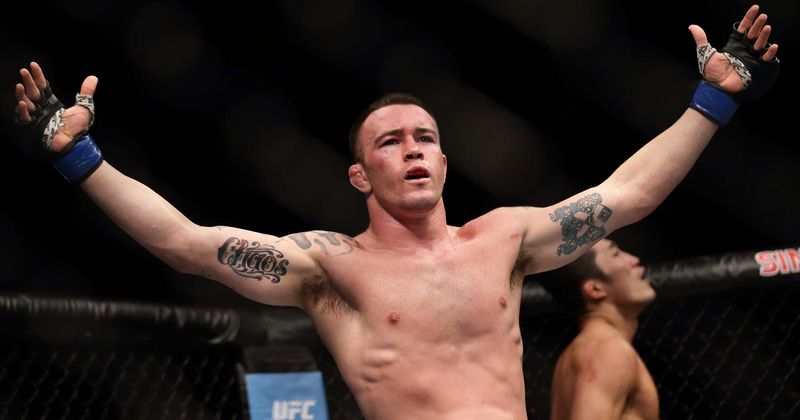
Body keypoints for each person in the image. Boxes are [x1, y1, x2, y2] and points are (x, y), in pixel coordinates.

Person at [11, 5, 779, 419]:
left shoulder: (504, 237)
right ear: (358, 175)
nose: (412, 151)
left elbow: (630, 195)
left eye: (426, 139)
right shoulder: (331, 268)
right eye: (390, 142)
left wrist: (711, 104)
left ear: (445, 162)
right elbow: (186, 244)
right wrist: (82, 159)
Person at [545, 239, 658, 420]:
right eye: (616, 254)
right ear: (595, 289)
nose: (634, 259)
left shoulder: (578, 353)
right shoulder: (609, 350)